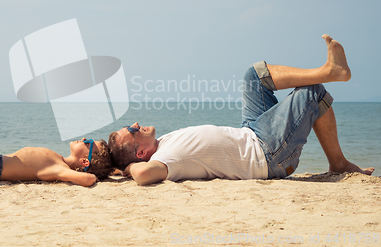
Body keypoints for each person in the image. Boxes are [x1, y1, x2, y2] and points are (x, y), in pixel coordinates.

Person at [108, 35, 375, 185]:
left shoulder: (162, 144)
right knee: (311, 93)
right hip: (268, 155)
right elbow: (143, 175)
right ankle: (338, 163)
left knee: (254, 74)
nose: (134, 124)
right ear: (141, 152)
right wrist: (129, 166)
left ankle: (327, 71)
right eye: (131, 131)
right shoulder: (165, 161)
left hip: (252, 134)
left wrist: (117, 165)